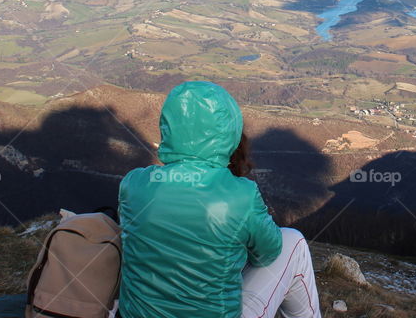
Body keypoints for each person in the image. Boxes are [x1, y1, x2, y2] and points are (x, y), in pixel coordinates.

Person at [118, 81, 322, 318]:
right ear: (229, 132)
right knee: (293, 242)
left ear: (168, 127)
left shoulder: (134, 184)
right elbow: (268, 252)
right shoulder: (241, 194)